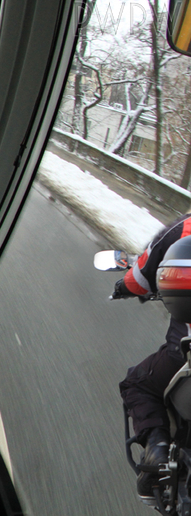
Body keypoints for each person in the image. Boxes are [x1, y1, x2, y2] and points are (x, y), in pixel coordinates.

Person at [115, 213, 191, 500]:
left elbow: (140, 279)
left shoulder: (184, 227)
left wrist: (122, 287)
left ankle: (157, 453)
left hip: (183, 356)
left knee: (138, 383)